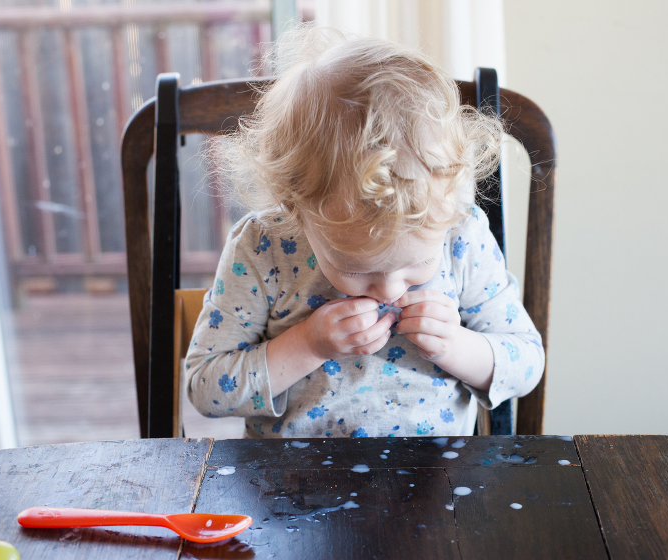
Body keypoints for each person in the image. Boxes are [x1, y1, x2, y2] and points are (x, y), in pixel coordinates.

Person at [184, 26, 544, 438]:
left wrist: (456, 347)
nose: (390, 291)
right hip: (291, 485)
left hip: (435, 481)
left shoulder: (460, 235)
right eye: (357, 270)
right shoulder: (264, 247)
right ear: (296, 210)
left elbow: (527, 365)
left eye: (416, 265)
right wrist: (308, 345)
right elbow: (205, 387)